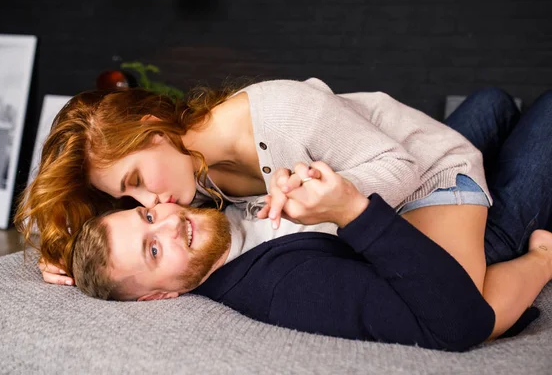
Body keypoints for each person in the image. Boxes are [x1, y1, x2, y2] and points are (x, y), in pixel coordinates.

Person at [16, 79, 551, 332]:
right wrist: (61, 251)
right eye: (128, 200)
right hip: (380, 134)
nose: (150, 201)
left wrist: (327, 204)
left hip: (423, 171)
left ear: (155, 130)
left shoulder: (282, 114)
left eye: (137, 181)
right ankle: (494, 107)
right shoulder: (182, 179)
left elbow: (401, 169)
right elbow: (123, 243)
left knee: (474, 304)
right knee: (491, 104)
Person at [70, 159, 552, 352]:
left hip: (407, 179)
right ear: (156, 297)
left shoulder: (199, 208)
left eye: (148, 217)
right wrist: (354, 212)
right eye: (153, 250)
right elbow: (459, 323)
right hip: (448, 225)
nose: (172, 222)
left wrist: (59, 250)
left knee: (488, 103)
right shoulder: (288, 288)